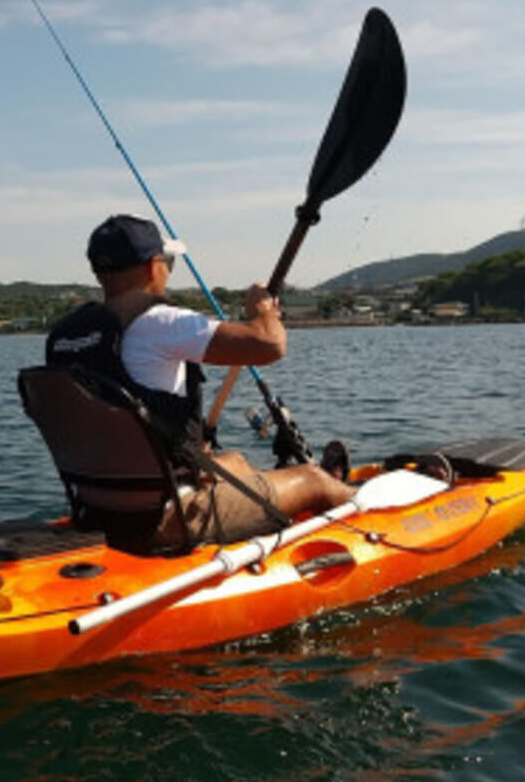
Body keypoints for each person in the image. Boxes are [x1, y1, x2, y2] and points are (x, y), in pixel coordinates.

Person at [45, 213, 355, 552]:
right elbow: (270, 344)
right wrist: (263, 310)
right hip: (167, 518)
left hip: (100, 510)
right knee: (315, 480)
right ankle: (359, 504)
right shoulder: (160, 322)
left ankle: (266, 504)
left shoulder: (64, 337)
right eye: (168, 262)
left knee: (235, 461)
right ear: (153, 266)